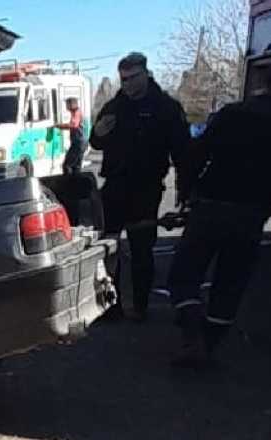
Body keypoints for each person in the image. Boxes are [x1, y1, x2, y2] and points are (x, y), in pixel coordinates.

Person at [166, 62, 271, 368]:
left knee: (185, 272)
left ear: (265, 84)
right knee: (231, 281)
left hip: (211, 205)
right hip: (252, 215)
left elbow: (196, 154)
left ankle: (192, 333)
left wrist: (186, 192)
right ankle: (209, 342)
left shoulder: (232, 114)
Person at [90, 52, 190, 322]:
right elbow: (95, 142)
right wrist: (97, 133)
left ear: (145, 74)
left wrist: (186, 189)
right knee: (109, 246)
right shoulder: (114, 106)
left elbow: (182, 152)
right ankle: (111, 305)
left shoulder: (166, 107)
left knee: (141, 248)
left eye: (132, 78)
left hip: (146, 188)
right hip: (115, 186)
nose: (127, 85)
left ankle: (140, 306)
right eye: (123, 79)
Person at [57, 97, 85, 174]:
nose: (66, 106)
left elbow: (74, 125)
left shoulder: (76, 112)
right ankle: (76, 183)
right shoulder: (75, 112)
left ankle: (68, 183)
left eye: (67, 104)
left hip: (78, 142)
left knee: (67, 165)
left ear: (72, 104)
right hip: (79, 142)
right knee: (76, 167)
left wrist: (60, 126)